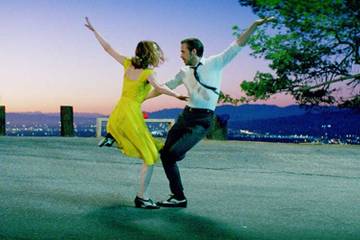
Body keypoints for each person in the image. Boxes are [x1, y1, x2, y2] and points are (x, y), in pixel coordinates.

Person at [146, 17, 275, 208]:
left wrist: (254, 26)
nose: (180, 55)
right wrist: (141, 98)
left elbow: (237, 44)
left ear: (194, 51)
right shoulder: (184, 71)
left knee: (172, 155)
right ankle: (178, 197)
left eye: (183, 51)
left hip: (202, 120)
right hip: (185, 116)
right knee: (166, 155)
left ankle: (179, 172)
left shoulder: (214, 63)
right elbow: (165, 86)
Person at [84, 17, 187, 209]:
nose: (159, 54)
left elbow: (108, 49)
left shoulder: (128, 64)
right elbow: (160, 88)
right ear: (151, 54)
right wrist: (177, 95)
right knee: (150, 156)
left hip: (119, 112)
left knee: (149, 151)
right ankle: (142, 197)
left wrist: (94, 31)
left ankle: (113, 136)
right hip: (131, 115)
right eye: (156, 51)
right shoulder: (149, 74)